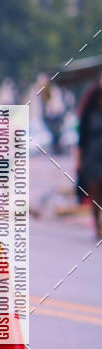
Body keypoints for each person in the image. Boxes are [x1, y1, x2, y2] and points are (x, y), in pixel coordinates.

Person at [77, 83, 102, 239]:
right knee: (94, 191)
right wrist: (79, 161)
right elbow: (81, 141)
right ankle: (97, 224)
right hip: (92, 157)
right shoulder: (88, 114)